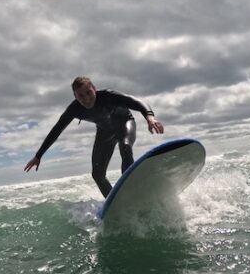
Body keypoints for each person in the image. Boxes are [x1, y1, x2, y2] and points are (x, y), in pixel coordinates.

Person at [23, 76, 165, 197]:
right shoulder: (74, 109)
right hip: (104, 132)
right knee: (97, 175)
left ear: (94, 89)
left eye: (88, 92)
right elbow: (56, 130)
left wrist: (150, 117)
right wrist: (38, 156)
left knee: (125, 147)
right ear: (75, 97)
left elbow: (137, 102)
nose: (86, 99)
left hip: (124, 123)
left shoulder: (108, 96)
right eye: (81, 96)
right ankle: (113, 202)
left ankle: (129, 190)